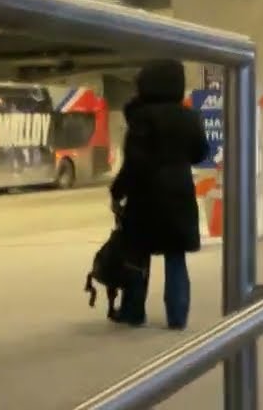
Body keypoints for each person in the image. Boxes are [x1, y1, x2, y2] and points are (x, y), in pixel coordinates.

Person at [109, 59, 209, 329]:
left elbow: (134, 163)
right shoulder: (189, 117)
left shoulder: (141, 118)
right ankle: (177, 317)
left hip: (147, 195)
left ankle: (133, 311)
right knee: (176, 256)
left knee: (137, 256)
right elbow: (201, 153)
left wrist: (117, 190)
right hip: (179, 193)